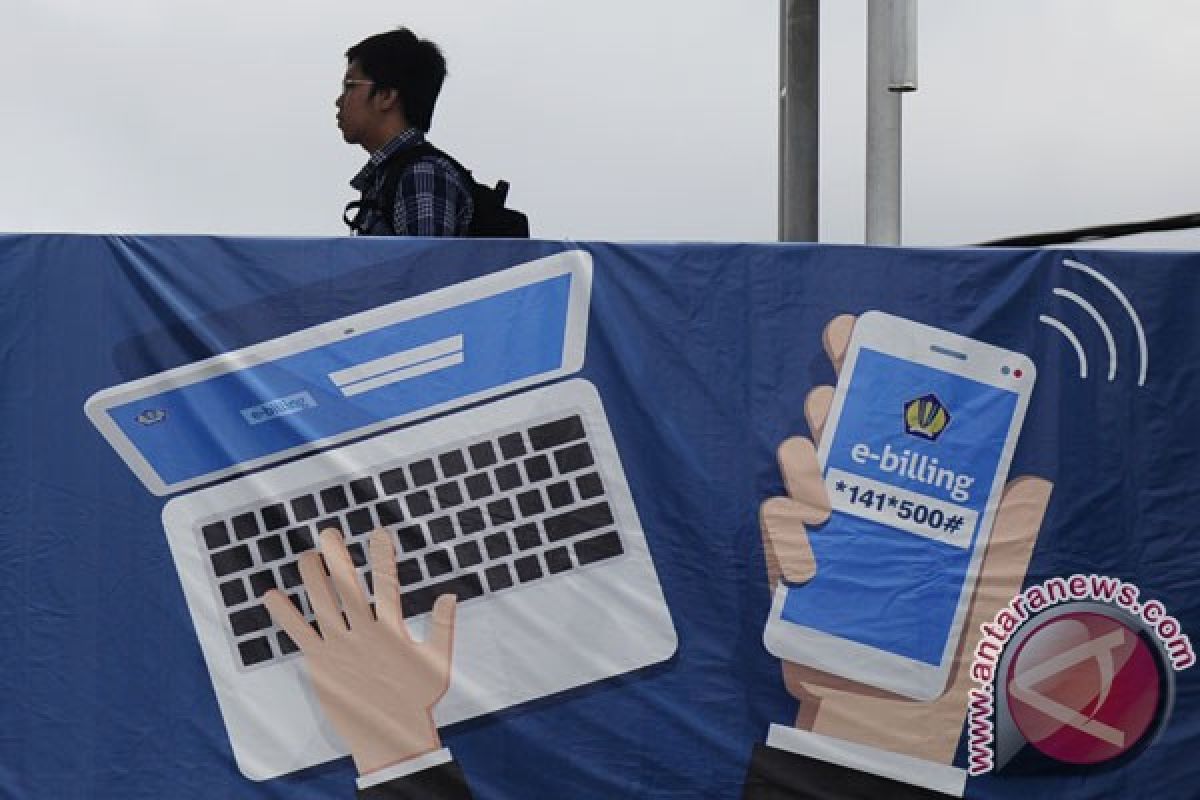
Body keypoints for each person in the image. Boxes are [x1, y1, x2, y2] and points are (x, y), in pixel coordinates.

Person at [338, 28, 474, 237]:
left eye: (350, 86)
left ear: (386, 96)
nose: (339, 101)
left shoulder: (421, 176)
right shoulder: (389, 177)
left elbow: (426, 258)